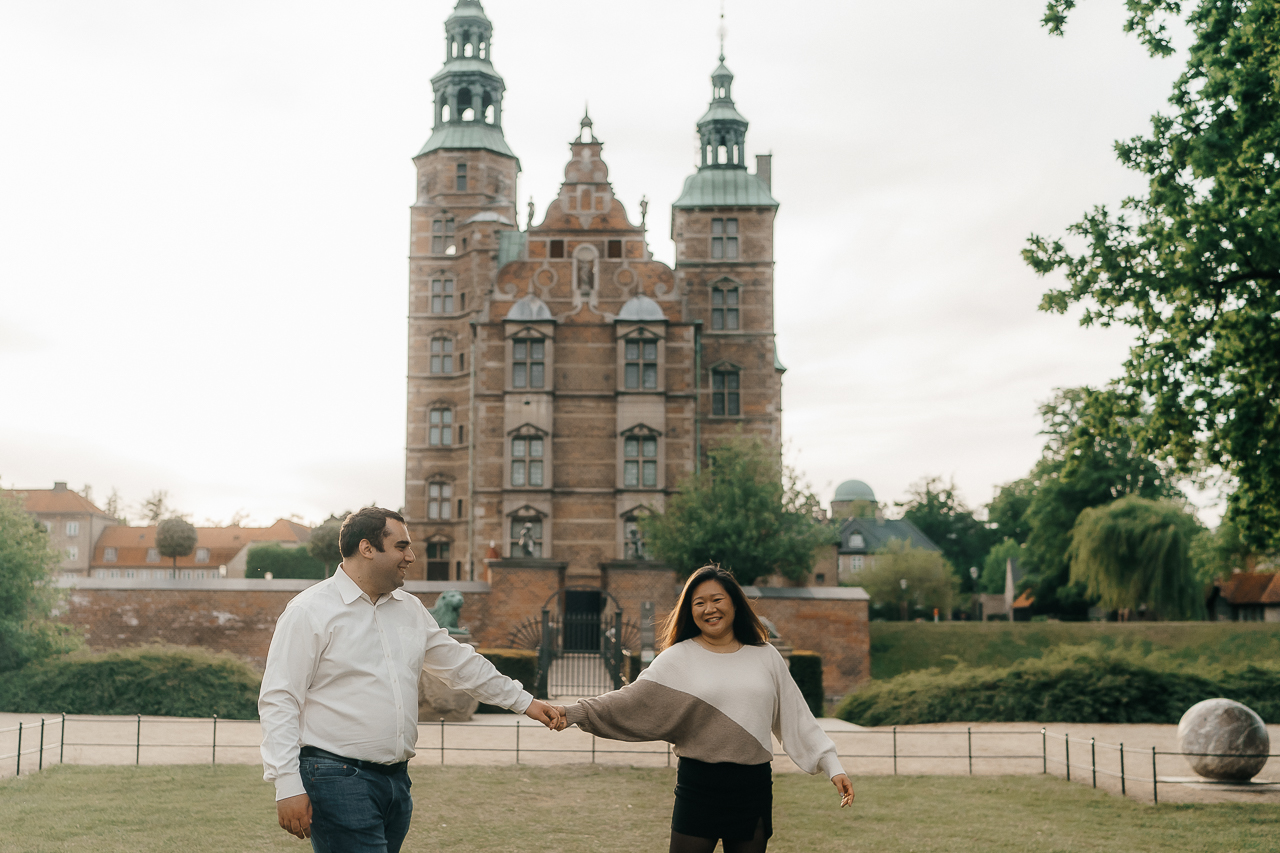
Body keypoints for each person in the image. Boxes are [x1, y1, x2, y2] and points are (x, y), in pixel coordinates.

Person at [259, 507, 563, 852]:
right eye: (402, 546)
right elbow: (279, 699)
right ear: (367, 548)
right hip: (335, 777)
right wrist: (286, 783)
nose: (411, 556)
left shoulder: (409, 609)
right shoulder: (309, 611)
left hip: (396, 782)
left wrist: (525, 702)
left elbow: (460, 664)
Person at [556, 565, 854, 853]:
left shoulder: (766, 656)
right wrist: (573, 713)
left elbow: (796, 716)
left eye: (717, 600)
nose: (709, 608)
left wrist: (832, 765)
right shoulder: (677, 658)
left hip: (753, 789)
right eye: (699, 603)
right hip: (698, 789)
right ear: (691, 611)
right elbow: (630, 701)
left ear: (735, 604)